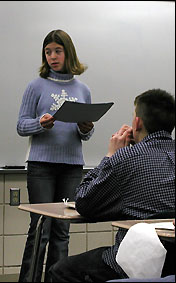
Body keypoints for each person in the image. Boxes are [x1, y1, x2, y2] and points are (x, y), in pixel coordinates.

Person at [49, 88, 175, 282]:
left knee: (61, 270)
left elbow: (84, 203)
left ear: (137, 122)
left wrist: (111, 157)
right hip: (172, 262)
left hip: (135, 262)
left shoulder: (126, 158)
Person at [17, 29, 95, 282]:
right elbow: (21, 125)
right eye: (48, 51)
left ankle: (56, 279)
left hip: (71, 167)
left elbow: (85, 135)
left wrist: (86, 128)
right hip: (41, 166)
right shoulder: (35, 85)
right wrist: (41, 124)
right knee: (40, 228)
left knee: (62, 230)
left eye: (57, 51)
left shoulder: (82, 89)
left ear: (68, 53)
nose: (52, 56)